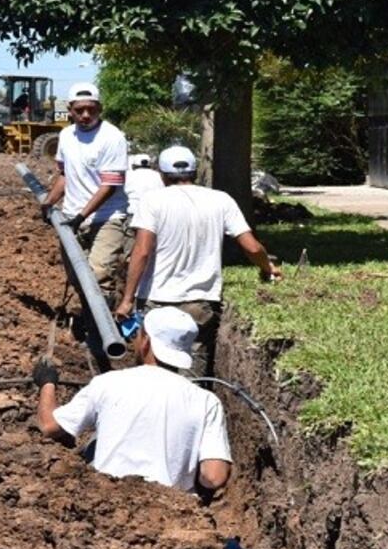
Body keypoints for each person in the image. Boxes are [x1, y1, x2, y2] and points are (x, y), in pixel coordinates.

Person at [115, 145, 282, 377]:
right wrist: (269, 268)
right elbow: (252, 247)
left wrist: (126, 299)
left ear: (162, 175)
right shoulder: (221, 200)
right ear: (194, 172)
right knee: (193, 372)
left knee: (152, 371)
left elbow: (142, 251)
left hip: (157, 298)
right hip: (201, 301)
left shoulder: (152, 200)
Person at [35, 306, 232, 492]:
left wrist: (47, 383)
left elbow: (49, 426)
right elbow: (213, 477)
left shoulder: (108, 383)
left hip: (108, 499)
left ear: (146, 342)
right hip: (174, 510)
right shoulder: (206, 401)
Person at [40, 82, 129, 301]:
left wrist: (81, 216)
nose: (86, 115)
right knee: (77, 277)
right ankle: (87, 323)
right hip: (73, 217)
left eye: (92, 109)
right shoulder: (66, 136)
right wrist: (49, 202)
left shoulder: (112, 137)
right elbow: (65, 174)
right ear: (70, 110)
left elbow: (109, 185)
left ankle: (102, 333)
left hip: (107, 217)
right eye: (79, 110)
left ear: (100, 108)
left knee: (99, 277)